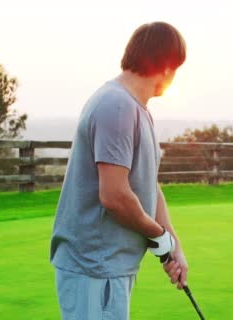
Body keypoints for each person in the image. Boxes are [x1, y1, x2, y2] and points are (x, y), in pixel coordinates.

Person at [49, 21, 188, 320]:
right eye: (176, 67)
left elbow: (147, 186)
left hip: (112, 265)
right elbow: (114, 195)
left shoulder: (138, 109)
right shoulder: (116, 105)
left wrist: (172, 245)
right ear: (165, 66)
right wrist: (157, 234)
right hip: (93, 266)